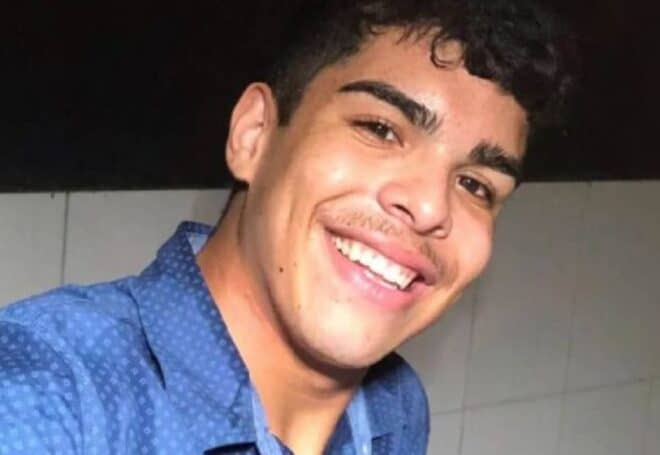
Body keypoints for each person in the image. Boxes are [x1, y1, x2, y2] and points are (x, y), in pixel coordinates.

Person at [0, 1, 576, 454]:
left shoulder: (395, 413)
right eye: (379, 129)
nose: (430, 207)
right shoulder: (43, 398)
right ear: (254, 135)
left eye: (475, 184)